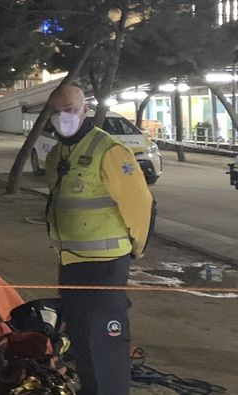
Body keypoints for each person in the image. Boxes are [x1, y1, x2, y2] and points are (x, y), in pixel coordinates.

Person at [44, 84, 153, 395]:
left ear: (85, 111)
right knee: (82, 341)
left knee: (104, 344)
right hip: (71, 263)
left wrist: (135, 250)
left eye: (70, 110)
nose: (63, 118)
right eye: (57, 112)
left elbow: (140, 204)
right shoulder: (57, 155)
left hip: (104, 266)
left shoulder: (110, 151)